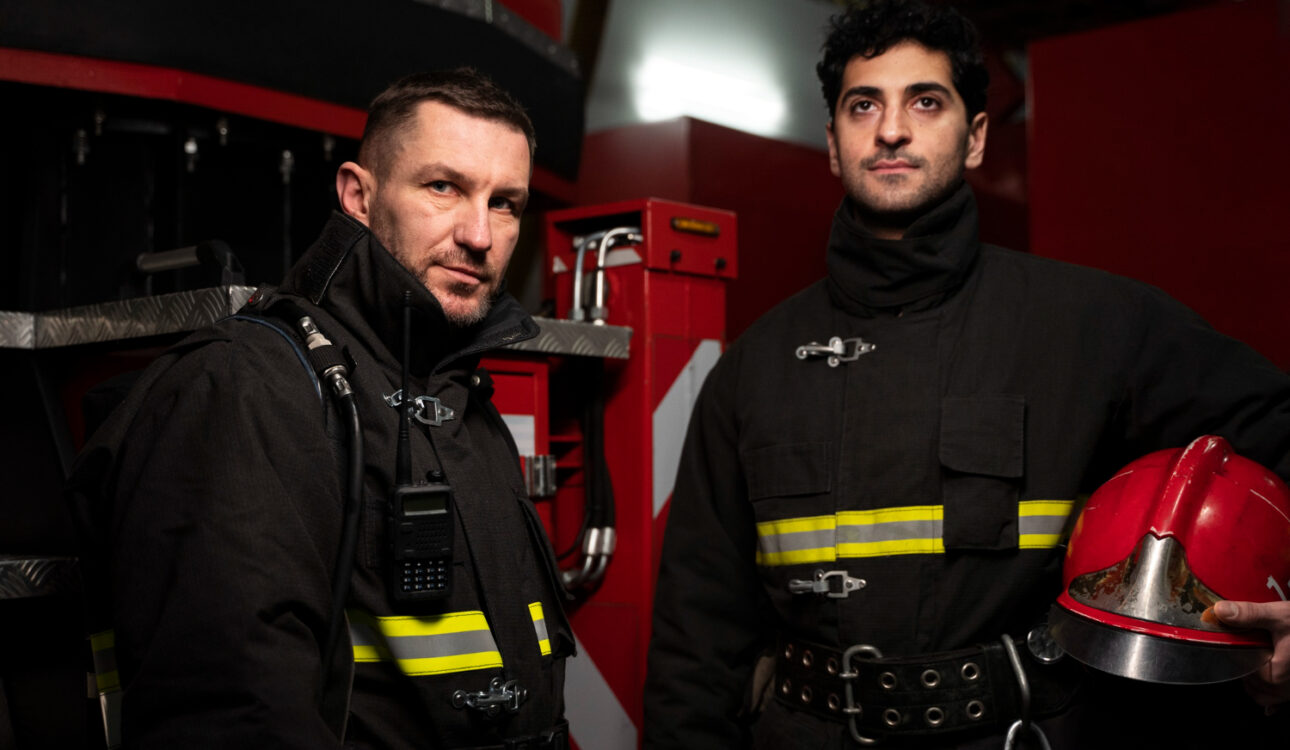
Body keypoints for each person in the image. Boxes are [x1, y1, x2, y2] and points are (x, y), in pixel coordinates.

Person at [643, 2, 1290, 748]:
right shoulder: (752, 369)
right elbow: (696, 643)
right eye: (863, 105)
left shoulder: (1095, 325)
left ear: (976, 137)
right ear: (832, 143)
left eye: (926, 100)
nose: (891, 128)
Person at [69, 69, 572, 749]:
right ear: (357, 197)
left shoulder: (460, 404)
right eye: (443, 187)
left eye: (505, 202)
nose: (479, 235)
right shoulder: (245, 388)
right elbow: (232, 718)